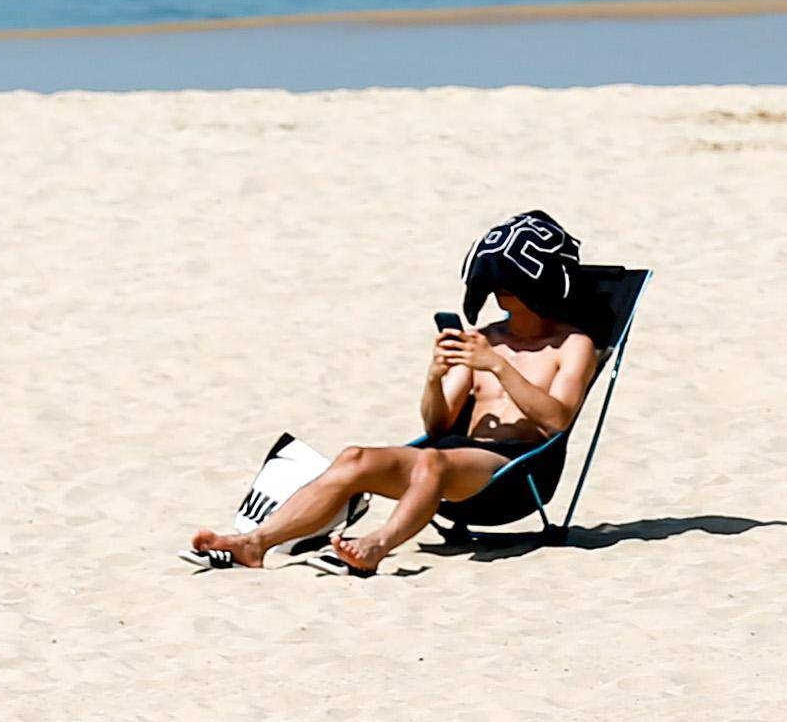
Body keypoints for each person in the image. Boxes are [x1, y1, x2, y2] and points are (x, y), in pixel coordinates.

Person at [190, 210, 603, 575]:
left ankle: (376, 546)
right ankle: (253, 544)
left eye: (507, 285)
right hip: (451, 456)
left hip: (515, 473)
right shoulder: (484, 338)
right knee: (355, 457)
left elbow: (557, 420)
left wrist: (497, 365)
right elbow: (438, 425)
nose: (498, 293)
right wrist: (434, 378)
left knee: (432, 463)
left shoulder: (572, 345)